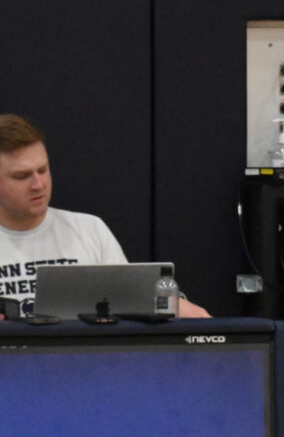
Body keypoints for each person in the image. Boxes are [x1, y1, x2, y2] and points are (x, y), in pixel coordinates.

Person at [0, 114, 211, 320]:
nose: (39, 184)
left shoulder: (89, 229)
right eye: (22, 176)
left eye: (43, 170)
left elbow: (129, 301)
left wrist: (174, 304)